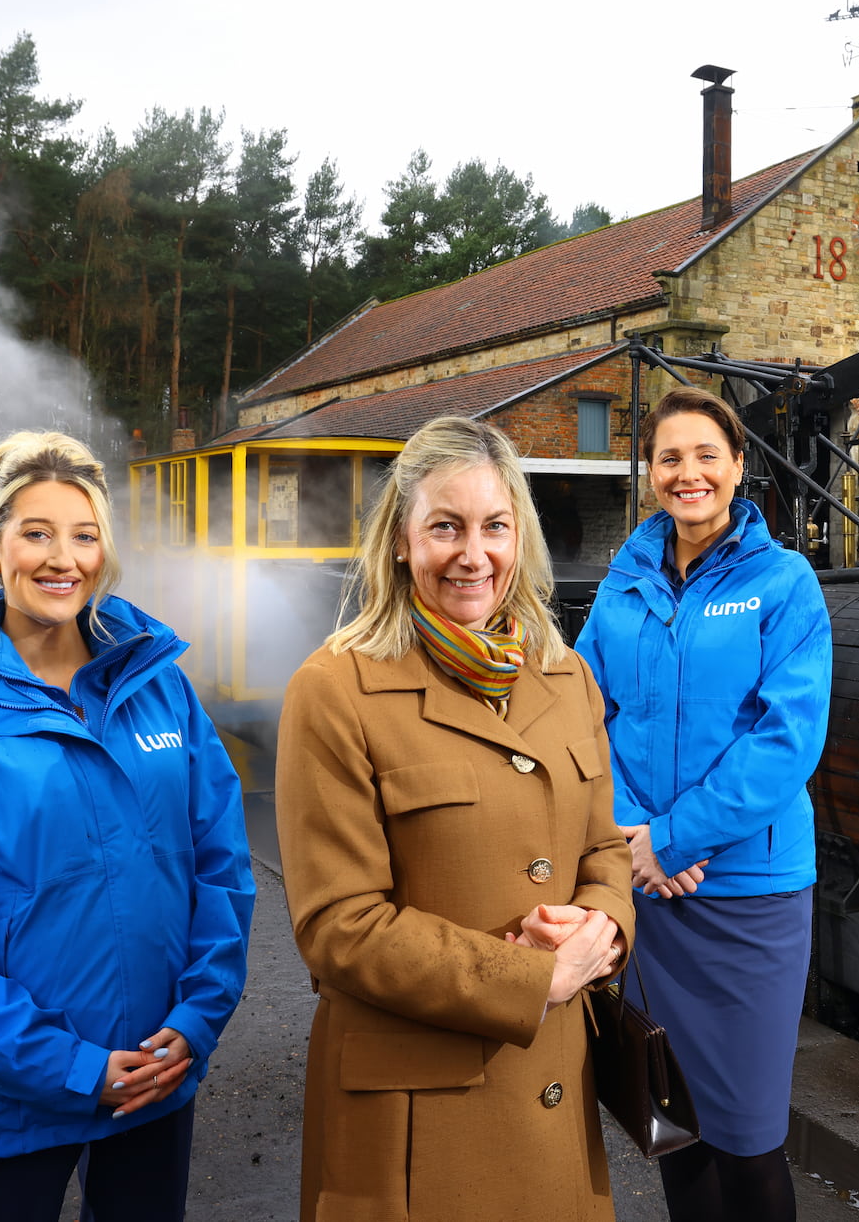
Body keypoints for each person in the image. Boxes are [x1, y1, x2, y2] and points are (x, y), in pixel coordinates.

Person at [0, 431, 255, 1221]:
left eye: (84, 535)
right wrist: (72, 1069)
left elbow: (220, 868)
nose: (61, 558)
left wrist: (196, 1018)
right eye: (35, 533)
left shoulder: (162, 694)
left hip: (155, 1079)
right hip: (7, 1110)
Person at [275, 416, 635, 1222]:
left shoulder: (565, 675)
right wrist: (537, 975)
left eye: (495, 526)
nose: (474, 554)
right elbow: (338, 926)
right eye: (446, 526)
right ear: (401, 541)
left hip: (553, 1096)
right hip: (417, 1127)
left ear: (521, 536)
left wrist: (598, 932)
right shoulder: (334, 691)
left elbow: (605, 848)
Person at [576, 386, 832, 1222]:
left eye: (705, 456)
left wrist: (674, 838)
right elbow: (583, 715)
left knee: (750, 1142)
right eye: (669, 458)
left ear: (738, 467)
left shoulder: (785, 584)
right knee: (676, 1130)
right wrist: (632, 836)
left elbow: (786, 741)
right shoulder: (623, 582)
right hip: (650, 889)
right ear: (649, 473)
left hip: (748, 899)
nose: (688, 474)